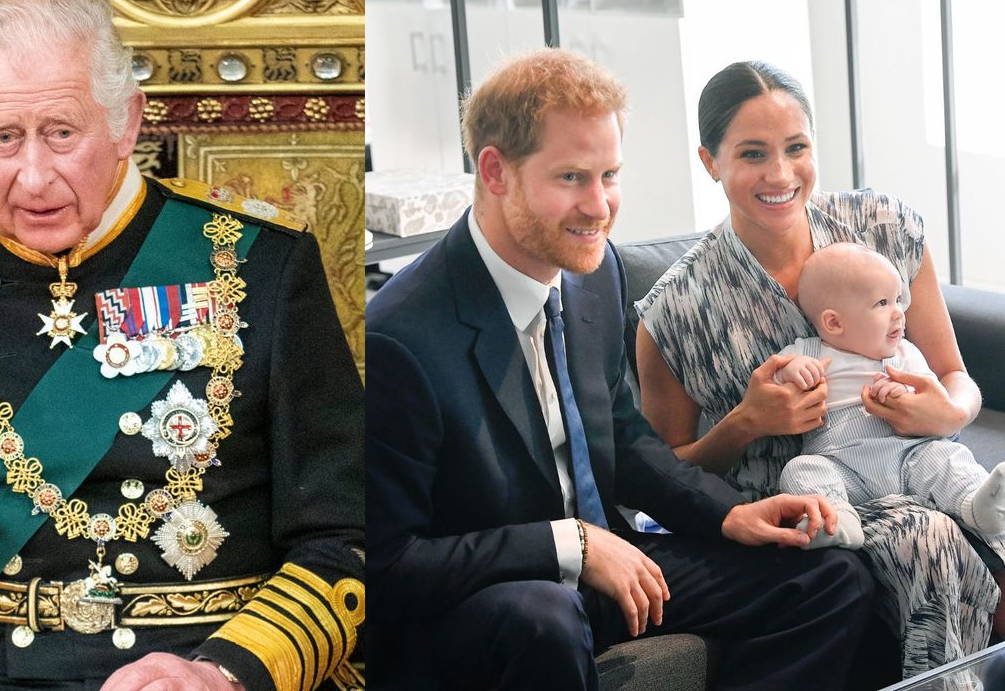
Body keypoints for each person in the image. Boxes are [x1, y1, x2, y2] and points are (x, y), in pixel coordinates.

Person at [0, 0, 363, 691]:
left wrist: (227, 672)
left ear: (126, 123)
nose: (34, 175)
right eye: (4, 138)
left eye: (62, 133)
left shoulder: (261, 268)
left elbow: (343, 536)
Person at [366, 48, 875, 691]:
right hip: (496, 600)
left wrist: (728, 513)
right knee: (543, 618)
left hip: (608, 561)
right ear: (495, 171)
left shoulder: (594, 274)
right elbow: (385, 567)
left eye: (610, 174)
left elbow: (624, 433)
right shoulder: (400, 339)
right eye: (573, 178)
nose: (601, 205)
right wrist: (568, 544)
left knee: (827, 578)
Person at [635, 60, 1003, 680]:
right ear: (709, 161)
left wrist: (950, 410)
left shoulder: (882, 228)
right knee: (929, 536)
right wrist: (745, 424)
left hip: (922, 465)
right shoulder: (676, 309)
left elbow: (956, 376)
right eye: (752, 154)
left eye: (796, 148)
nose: (780, 175)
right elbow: (663, 478)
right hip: (814, 511)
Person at [774, 242, 1005, 548]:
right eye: (882, 303)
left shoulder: (905, 353)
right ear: (834, 322)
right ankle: (838, 520)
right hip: (842, 465)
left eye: (898, 299)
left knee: (945, 458)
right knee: (801, 470)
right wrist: (793, 370)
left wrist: (904, 394)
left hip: (910, 457)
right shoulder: (808, 352)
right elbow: (774, 379)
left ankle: (976, 506)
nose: (899, 312)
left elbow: (929, 395)